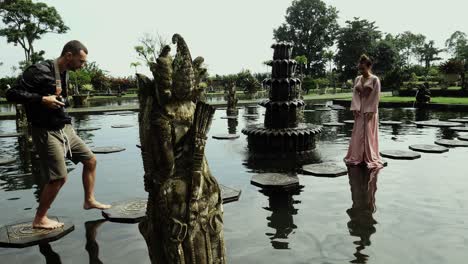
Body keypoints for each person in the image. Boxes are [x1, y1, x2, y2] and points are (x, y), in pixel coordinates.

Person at [6, 40, 110, 229]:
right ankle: (40, 219)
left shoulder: (63, 73)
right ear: (69, 56)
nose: (82, 65)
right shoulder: (38, 70)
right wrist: (42, 99)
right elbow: (11, 94)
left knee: (91, 161)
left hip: (65, 129)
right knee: (59, 178)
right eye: (81, 61)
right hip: (46, 132)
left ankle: (89, 200)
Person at [344, 54, 383, 169]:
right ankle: (357, 156)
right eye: (360, 68)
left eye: (363, 68)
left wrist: (371, 110)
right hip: (359, 108)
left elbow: (376, 96)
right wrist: (355, 108)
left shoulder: (375, 79)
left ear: (369, 67)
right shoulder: (358, 79)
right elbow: (355, 94)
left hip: (370, 109)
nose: (361, 70)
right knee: (358, 132)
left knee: (367, 132)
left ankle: (368, 156)